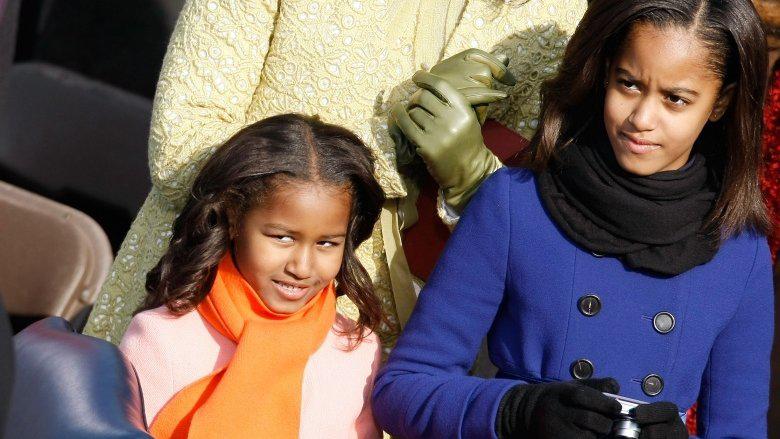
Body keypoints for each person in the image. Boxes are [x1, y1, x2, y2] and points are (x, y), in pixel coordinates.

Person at [82, 0, 588, 349]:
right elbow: (182, 144)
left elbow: (541, 252)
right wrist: (394, 151)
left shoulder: (566, 17)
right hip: (206, 306)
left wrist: (474, 179)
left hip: (373, 350)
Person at [372, 0, 774, 437]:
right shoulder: (514, 203)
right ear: (604, 73)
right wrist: (515, 411)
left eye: (675, 99)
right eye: (629, 84)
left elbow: (740, 430)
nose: (641, 119)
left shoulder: (740, 251)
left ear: (721, 103)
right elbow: (403, 389)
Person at [118, 114, 384, 438]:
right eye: (282, 237)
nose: (301, 267)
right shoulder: (160, 339)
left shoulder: (358, 351)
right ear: (233, 220)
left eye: (327, 243)